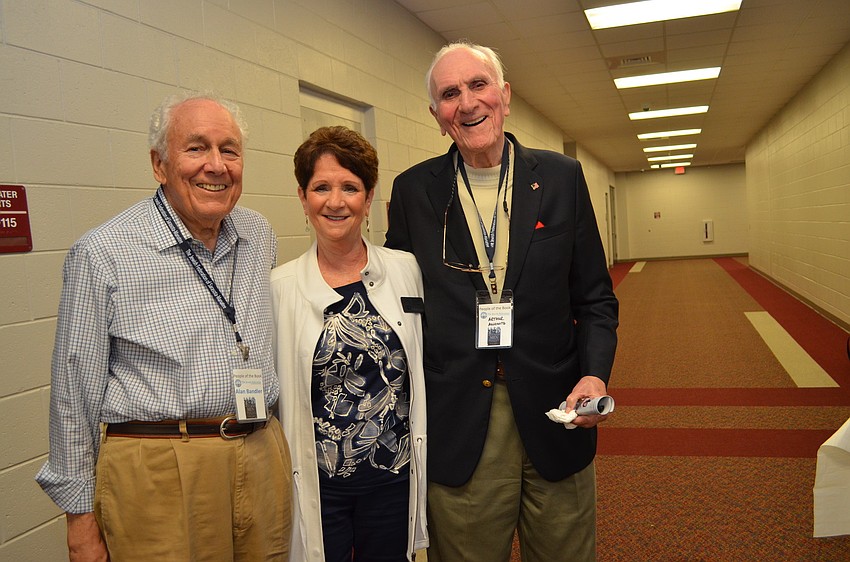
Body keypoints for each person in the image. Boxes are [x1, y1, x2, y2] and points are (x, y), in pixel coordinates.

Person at [384, 42, 619, 562]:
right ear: (436, 116)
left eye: (478, 85)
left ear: (505, 95)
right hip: (461, 420)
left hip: (558, 407)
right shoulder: (412, 193)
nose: (467, 103)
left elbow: (596, 298)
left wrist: (596, 374)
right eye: (449, 94)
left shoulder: (561, 177)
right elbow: (400, 307)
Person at [35, 92, 292, 561]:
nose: (216, 165)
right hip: (159, 467)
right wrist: (79, 518)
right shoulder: (103, 253)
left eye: (229, 150)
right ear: (159, 164)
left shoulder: (258, 235)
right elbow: (74, 390)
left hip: (259, 455)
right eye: (196, 148)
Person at [271, 126, 428, 562]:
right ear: (302, 198)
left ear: (369, 196)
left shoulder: (406, 269)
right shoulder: (279, 286)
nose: (335, 202)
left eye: (350, 188)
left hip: (394, 481)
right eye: (321, 187)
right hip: (321, 487)